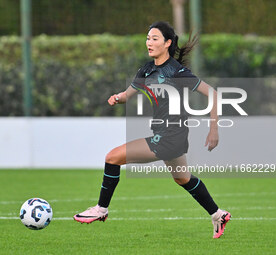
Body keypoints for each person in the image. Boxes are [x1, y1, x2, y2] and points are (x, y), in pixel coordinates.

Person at [73, 21, 231, 239]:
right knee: (182, 178)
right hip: (169, 135)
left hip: (169, 136)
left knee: (112, 157)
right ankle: (217, 214)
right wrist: (118, 98)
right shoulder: (146, 69)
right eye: (148, 38)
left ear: (167, 43)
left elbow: (213, 94)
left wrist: (214, 129)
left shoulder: (177, 71)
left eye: (154, 38)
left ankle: (101, 209)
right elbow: (128, 94)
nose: (149, 42)